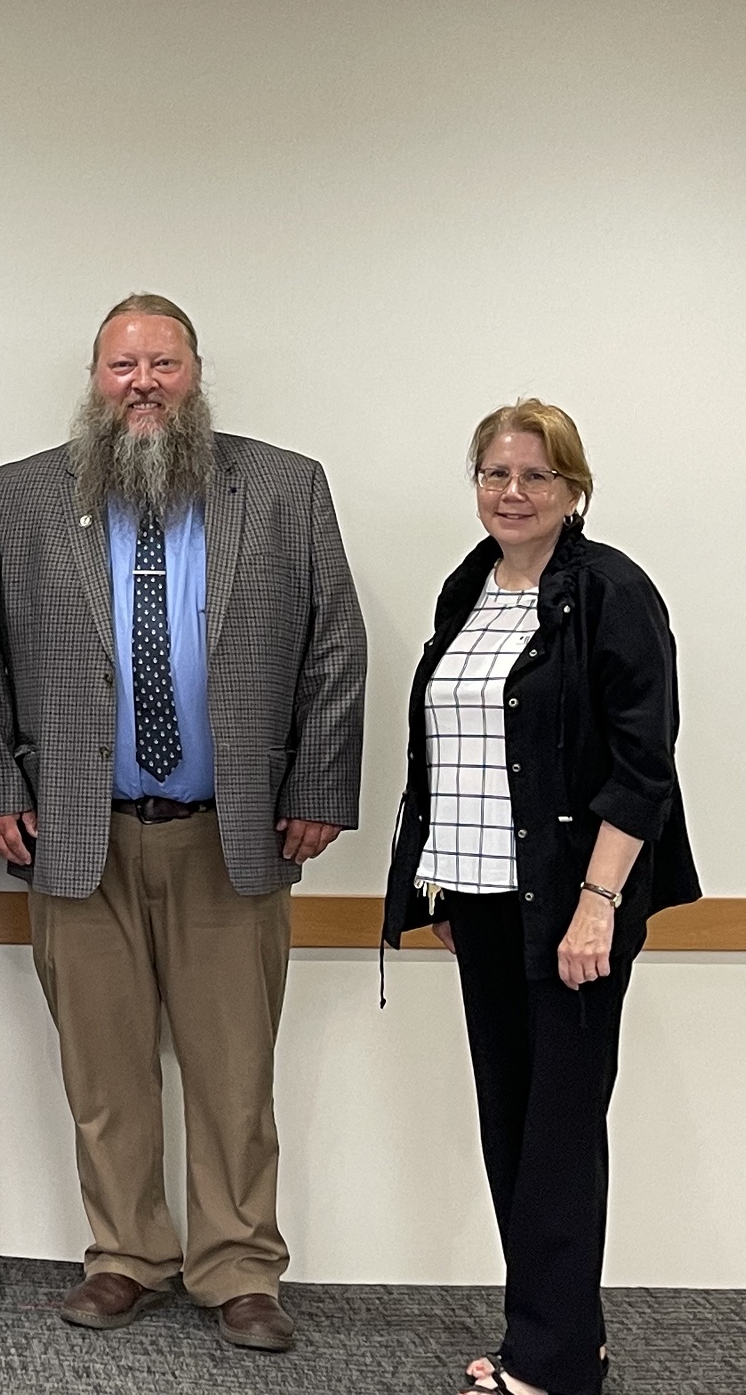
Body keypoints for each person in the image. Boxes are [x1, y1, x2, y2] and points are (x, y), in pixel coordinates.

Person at [0, 294, 365, 1353]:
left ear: (195, 371)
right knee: (103, 1071)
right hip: (77, 835)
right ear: (94, 378)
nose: (142, 383)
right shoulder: (23, 496)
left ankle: (237, 1265)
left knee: (234, 1072)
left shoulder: (283, 486)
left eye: (164, 364)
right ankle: (125, 1255)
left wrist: (318, 786)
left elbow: (336, 646)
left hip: (230, 836)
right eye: (121, 365)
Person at [383, 400, 697, 1395]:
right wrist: (432, 883)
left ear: (573, 490)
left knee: (559, 1134)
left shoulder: (611, 592)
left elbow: (642, 767)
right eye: (493, 474)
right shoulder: (467, 587)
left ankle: (553, 1362)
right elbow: (451, 756)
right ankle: (556, 1340)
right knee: (512, 1127)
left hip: (572, 907)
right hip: (478, 901)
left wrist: (600, 902)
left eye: (535, 477)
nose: (511, 494)